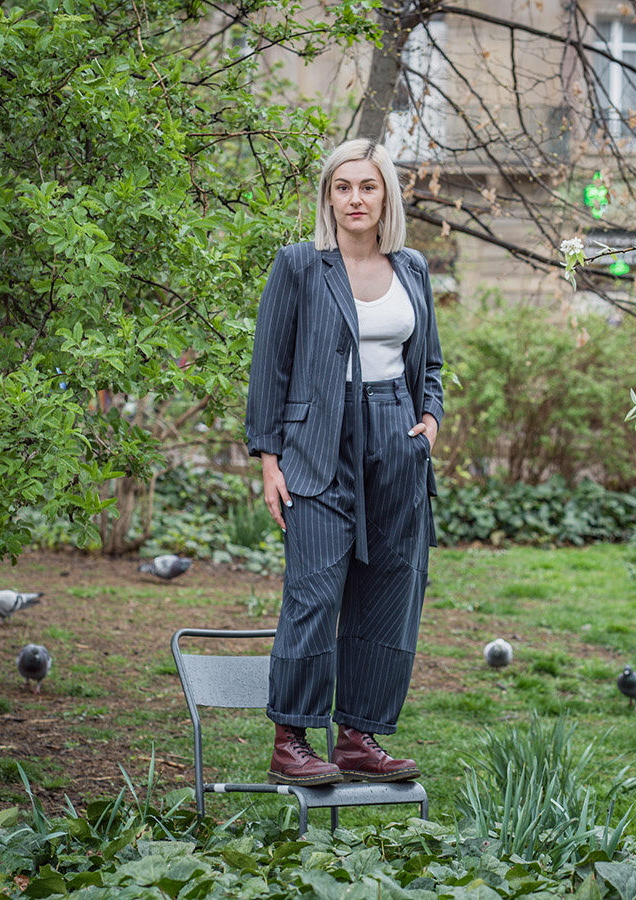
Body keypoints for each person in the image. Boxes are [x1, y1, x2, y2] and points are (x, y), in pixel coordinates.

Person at [245, 139, 443, 786]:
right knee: (314, 591)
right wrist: (269, 460)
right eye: (342, 187)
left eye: (368, 186)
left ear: (386, 195)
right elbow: (269, 368)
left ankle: (359, 736)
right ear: (328, 197)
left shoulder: (412, 267)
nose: (355, 198)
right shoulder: (301, 266)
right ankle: (292, 741)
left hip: (396, 436)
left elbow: (431, 364)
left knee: (390, 589)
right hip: (317, 444)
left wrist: (430, 421)